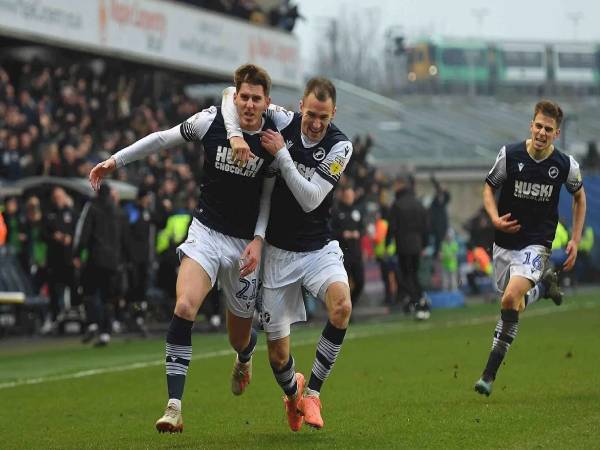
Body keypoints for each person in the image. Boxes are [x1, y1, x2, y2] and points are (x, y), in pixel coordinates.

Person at [88, 64, 277, 434]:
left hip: (244, 246)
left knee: (238, 336)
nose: (250, 104)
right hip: (206, 233)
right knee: (185, 305)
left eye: (257, 98)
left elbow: (270, 197)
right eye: (244, 97)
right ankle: (174, 406)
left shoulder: (275, 132)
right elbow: (161, 138)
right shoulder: (210, 122)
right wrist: (116, 160)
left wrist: (258, 239)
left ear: (266, 102)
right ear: (234, 97)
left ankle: (244, 354)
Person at [222, 77, 353, 431]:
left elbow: (311, 199)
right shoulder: (280, 120)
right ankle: (293, 394)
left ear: (333, 113)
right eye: (310, 114)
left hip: (318, 248)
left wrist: (282, 154)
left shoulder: (341, 146)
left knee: (342, 307)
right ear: (300, 106)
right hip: (279, 253)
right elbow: (228, 99)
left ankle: (312, 393)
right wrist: (235, 136)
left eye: (323, 118)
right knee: (278, 358)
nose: (315, 123)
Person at [474, 100, 586, 397]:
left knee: (510, 298)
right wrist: (495, 219)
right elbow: (488, 187)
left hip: (537, 243)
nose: (541, 132)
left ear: (556, 133)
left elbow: (579, 197)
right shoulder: (509, 155)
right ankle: (543, 289)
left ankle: (488, 374)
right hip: (504, 244)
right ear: (530, 126)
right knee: (514, 302)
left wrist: (575, 238)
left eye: (548, 129)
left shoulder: (565, 165)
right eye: (538, 126)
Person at [385, 176, 430, 317]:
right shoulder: (418, 204)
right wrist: (424, 244)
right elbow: (426, 227)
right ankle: (417, 300)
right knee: (414, 275)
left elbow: (391, 227)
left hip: (403, 245)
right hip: (417, 245)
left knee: (405, 276)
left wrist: (387, 244)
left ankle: (417, 301)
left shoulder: (397, 205)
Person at [331, 185, 365, 305]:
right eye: (347, 196)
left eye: (351, 195)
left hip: (356, 253)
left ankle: (350, 305)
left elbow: (363, 228)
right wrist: (342, 234)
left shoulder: (357, 211)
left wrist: (358, 233)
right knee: (344, 284)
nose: (350, 198)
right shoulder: (336, 211)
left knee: (360, 282)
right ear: (343, 196)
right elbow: (330, 231)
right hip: (342, 254)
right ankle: (343, 309)